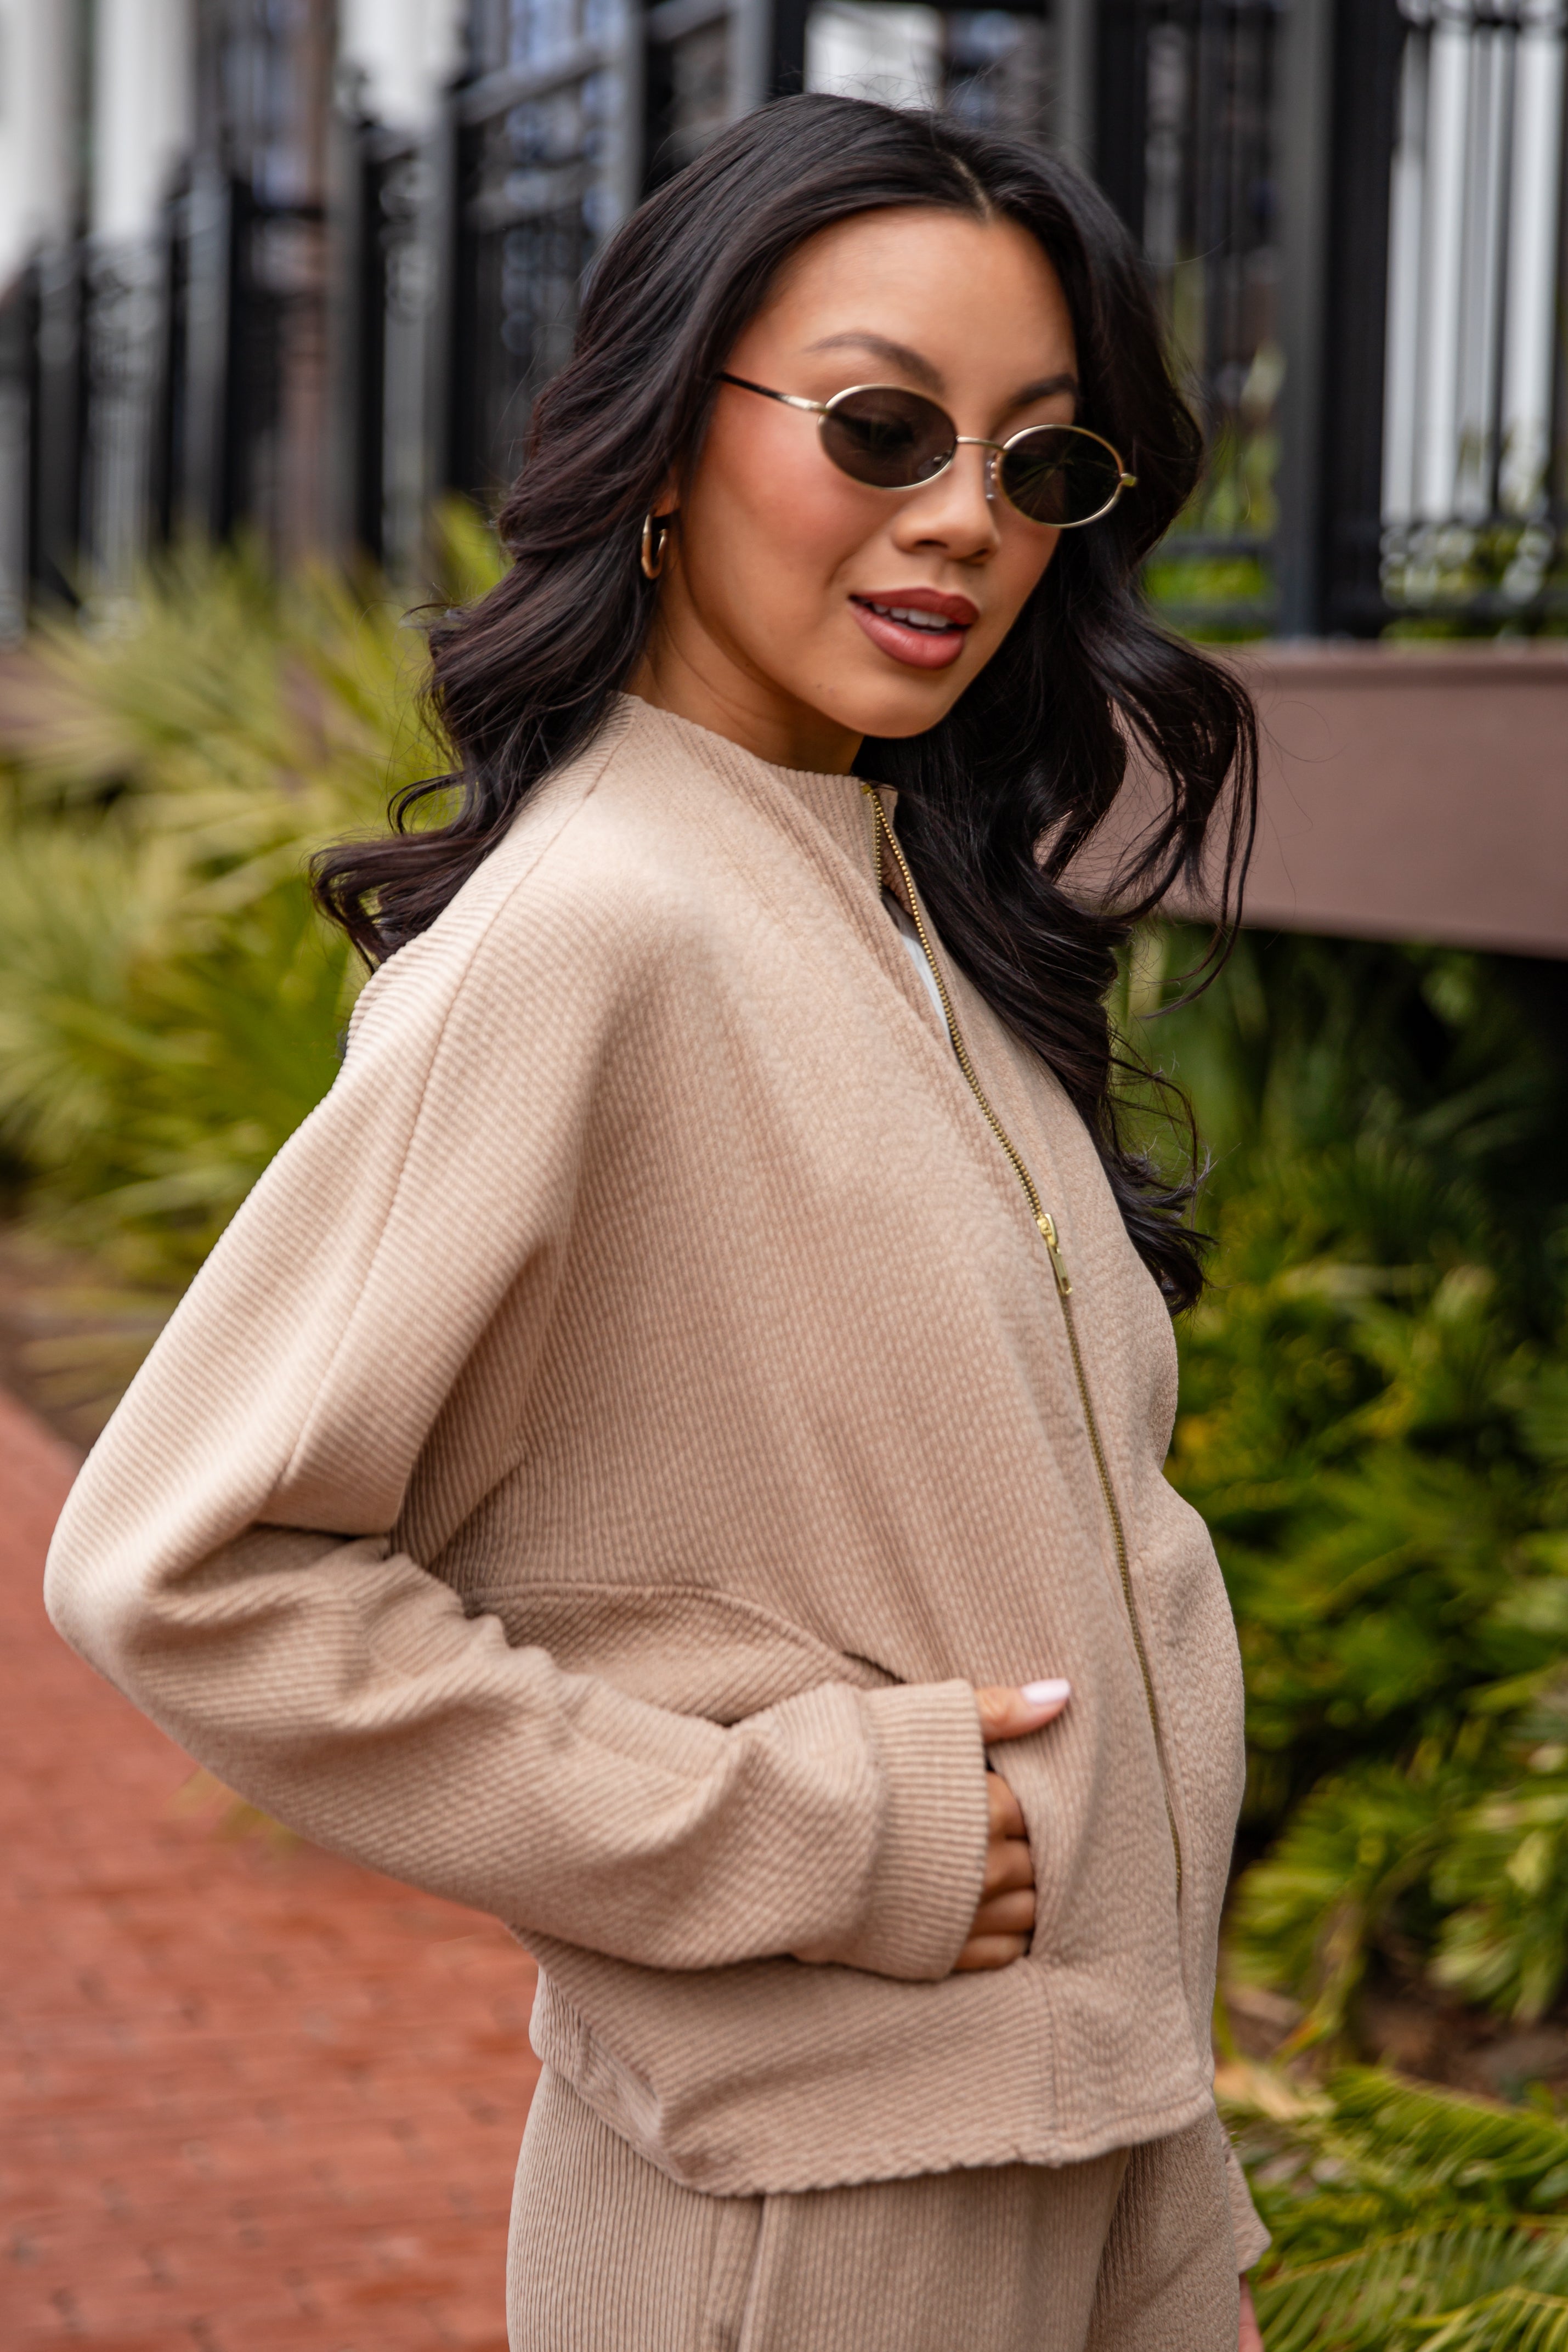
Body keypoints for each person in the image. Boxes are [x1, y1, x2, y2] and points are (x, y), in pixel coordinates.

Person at [46, 93, 1269, 2352]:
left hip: (1096, 2147)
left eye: (1038, 463)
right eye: (884, 427)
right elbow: (183, 1568)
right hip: (829, 2212)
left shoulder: (893, 892)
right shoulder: (592, 927)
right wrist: (797, 1833)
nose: (963, 525)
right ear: (668, 448)